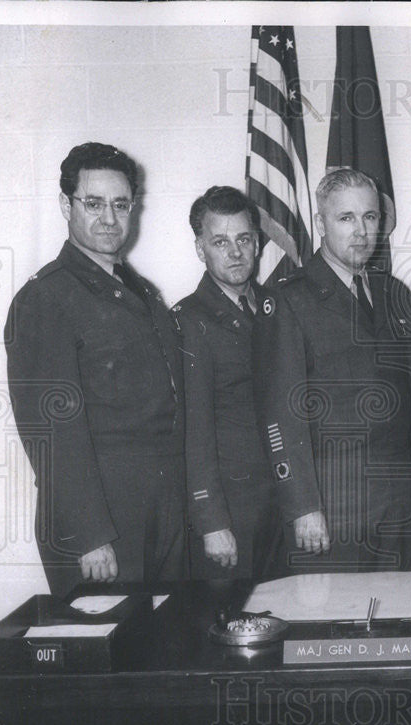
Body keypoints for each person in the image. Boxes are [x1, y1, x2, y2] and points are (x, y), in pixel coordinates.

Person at [5, 142, 187, 596]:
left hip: (161, 508)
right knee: (110, 655)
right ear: (66, 205)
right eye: (94, 203)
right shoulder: (48, 298)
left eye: (120, 204)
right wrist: (89, 535)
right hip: (100, 520)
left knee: (163, 647)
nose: (109, 218)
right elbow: (51, 432)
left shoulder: (141, 292)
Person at [252, 169, 411, 572]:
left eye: (370, 217)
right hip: (332, 508)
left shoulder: (392, 293)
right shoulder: (288, 301)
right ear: (320, 224)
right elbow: (279, 414)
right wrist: (303, 505)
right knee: (334, 627)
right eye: (346, 218)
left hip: (398, 506)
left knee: (401, 623)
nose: (361, 231)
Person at [173, 186, 283, 579]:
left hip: (282, 504)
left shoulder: (277, 307)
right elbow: (194, 431)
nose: (235, 253)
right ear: (201, 248)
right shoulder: (189, 321)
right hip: (232, 513)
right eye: (221, 242)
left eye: (244, 240)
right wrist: (211, 521)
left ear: (257, 243)